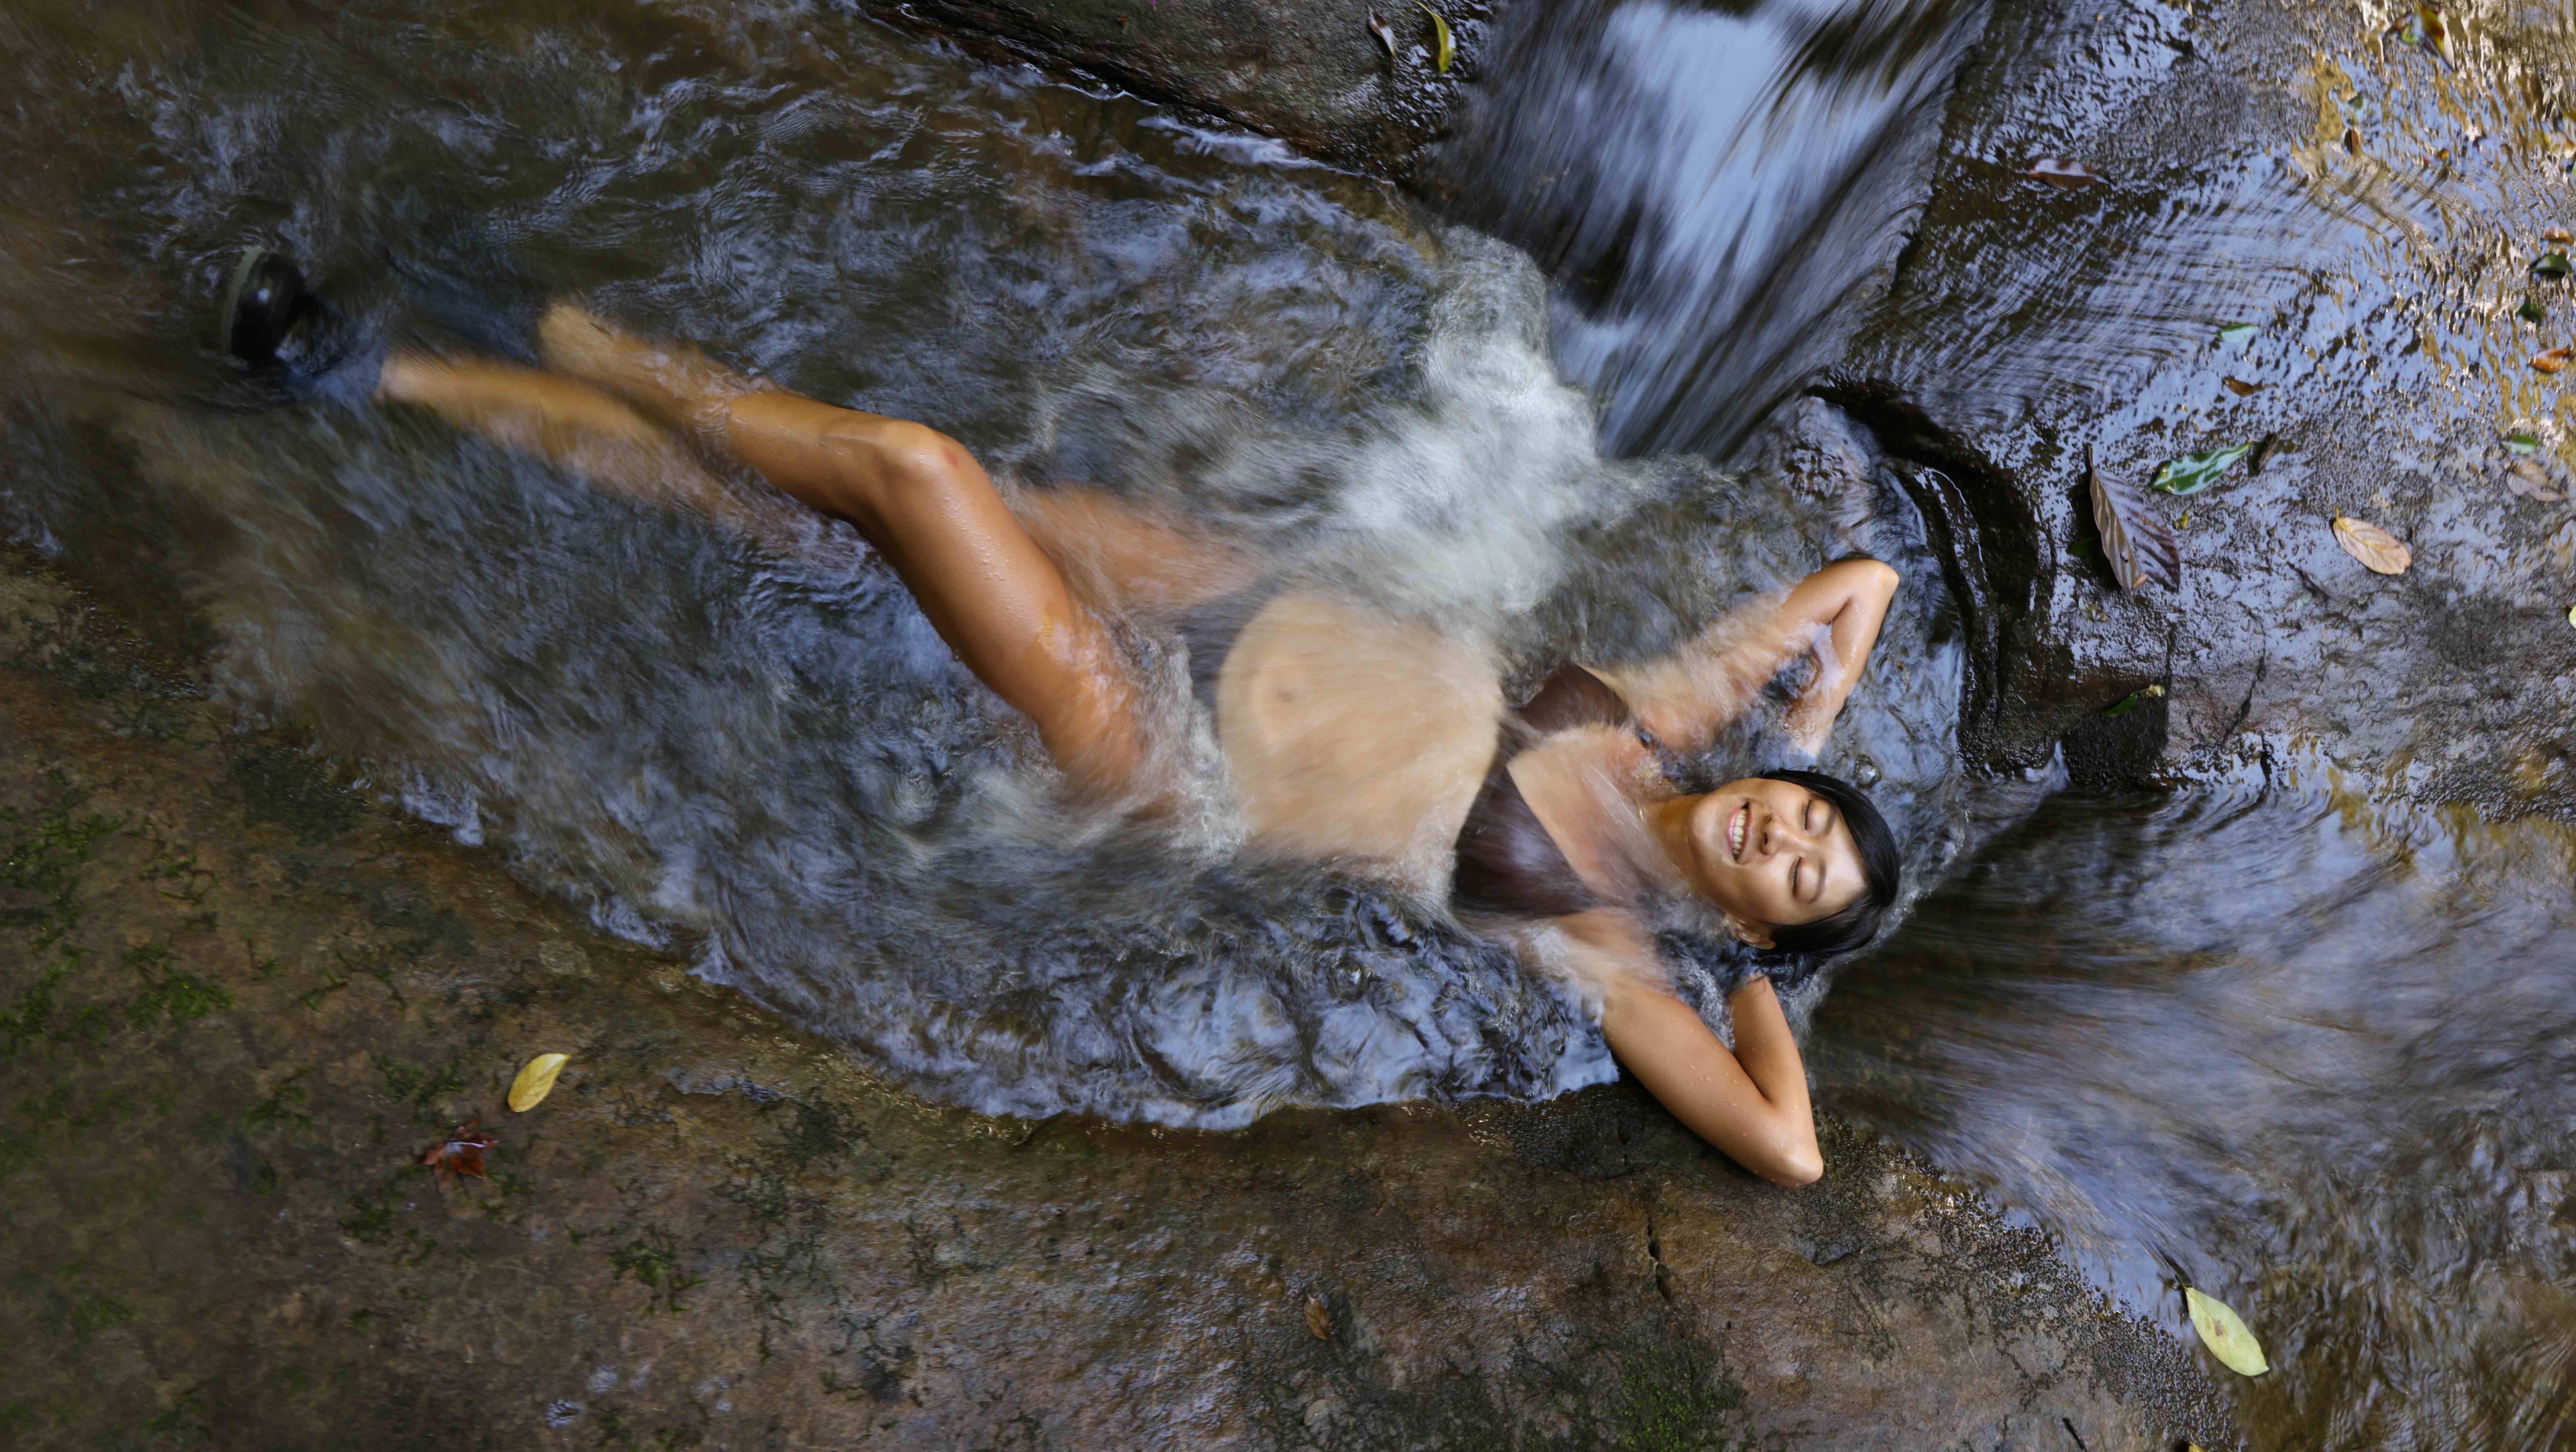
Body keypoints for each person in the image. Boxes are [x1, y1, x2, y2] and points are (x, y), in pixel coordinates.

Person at [218, 248, 1904, 1185]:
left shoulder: (1611, 948)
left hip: (1165, 746)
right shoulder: (1668, 717)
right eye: (1810, 821)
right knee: (803, 524)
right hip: (1222, 590)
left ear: (1761, 918)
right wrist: (1815, 725)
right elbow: (1857, 586)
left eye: (1798, 874)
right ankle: (389, 374)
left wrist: (1766, 985)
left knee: (910, 474)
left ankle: (600, 338)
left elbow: (1786, 1144)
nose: (1786, 834)